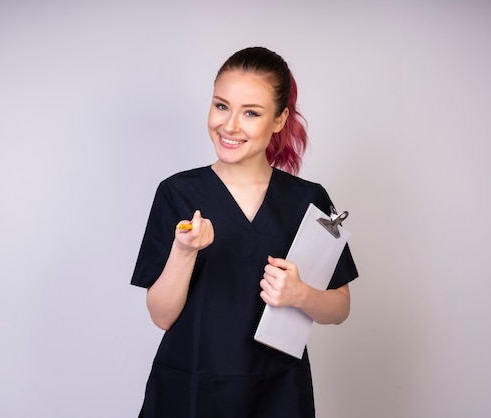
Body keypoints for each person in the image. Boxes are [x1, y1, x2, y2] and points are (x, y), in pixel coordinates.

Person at [131, 46, 358, 418]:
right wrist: (184, 251)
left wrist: (300, 294)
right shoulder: (177, 193)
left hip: (277, 394)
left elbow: (340, 308)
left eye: (251, 112)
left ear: (280, 119)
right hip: (190, 391)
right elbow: (161, 316)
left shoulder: (309, 200)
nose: (230, 125)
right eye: (222, 106)